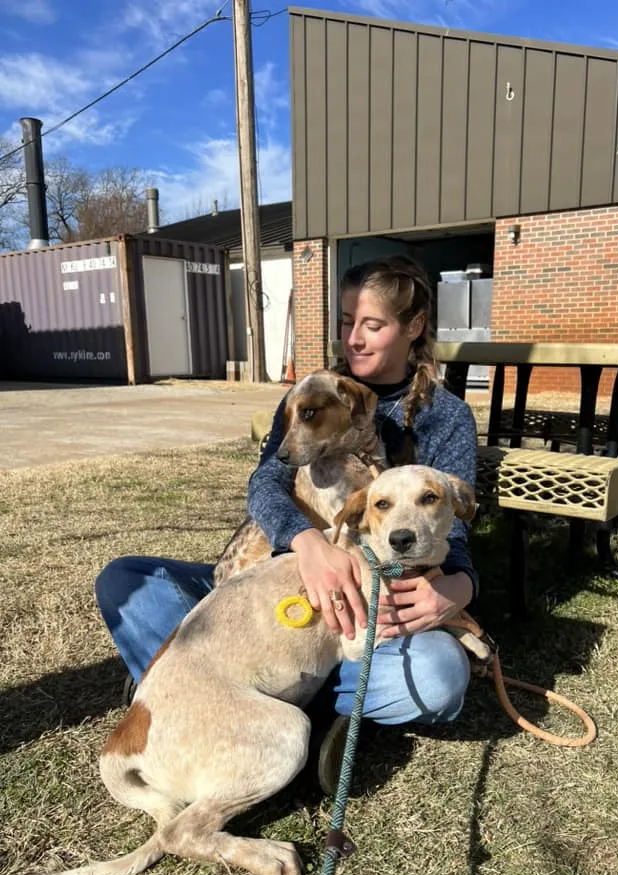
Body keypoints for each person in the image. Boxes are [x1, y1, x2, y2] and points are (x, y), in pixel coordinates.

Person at [95, 255, 479, 791]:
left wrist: (458, 588)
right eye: (347, 323)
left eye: (373, 325)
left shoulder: (445, 417)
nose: (355, 339)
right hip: (265, 594)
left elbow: (453, 530)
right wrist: (307, 546)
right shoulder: (315, 393)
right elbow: (266, 482)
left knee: (441, 676)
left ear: (413, 328)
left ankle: (263, 710)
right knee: (125, 581)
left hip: (349, 617)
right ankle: (246, 708)